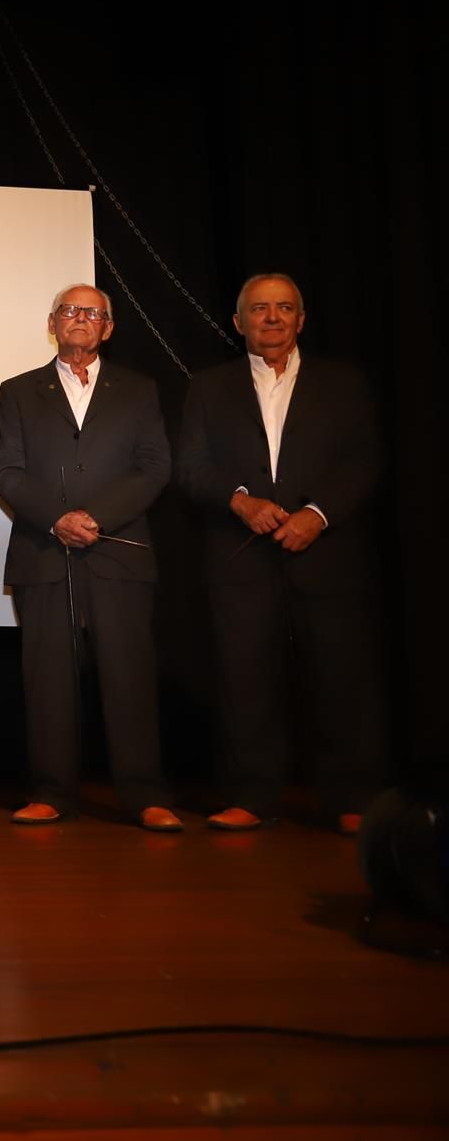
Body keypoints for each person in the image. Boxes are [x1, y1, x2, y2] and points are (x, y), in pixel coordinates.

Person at [176, 273, 386, 834]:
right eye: (259, 309)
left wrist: (317, 515)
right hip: (239, 552)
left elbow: (363, 462)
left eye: (284, 308)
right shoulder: (208, 386)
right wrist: (240, 501)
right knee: (245, 679)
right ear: (238, 321)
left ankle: (350, 800)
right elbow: (191, 467)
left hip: (326, 553)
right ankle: (251, 796)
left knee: (340, 677)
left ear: (301, 319)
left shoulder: (344, 384)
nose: (272, 318)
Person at [0, 285, 180, 831]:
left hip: (118, 549)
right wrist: (57, 519)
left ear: (109, 328)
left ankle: (144, 794)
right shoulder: (19, 390)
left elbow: (154, 467)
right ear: (52, 323)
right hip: (43, 550)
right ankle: (51, 792)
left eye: (93, 313)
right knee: (47, 679)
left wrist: (96, 518)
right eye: (71, 312)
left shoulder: (140, 390)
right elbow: (8, 470)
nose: (81, 320)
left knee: (130, 676)